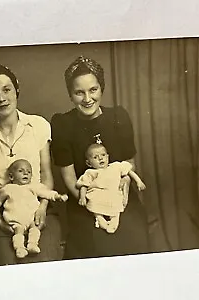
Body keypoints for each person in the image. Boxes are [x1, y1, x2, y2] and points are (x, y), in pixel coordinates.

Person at [51, 56, 150, 259]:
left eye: (93, 90)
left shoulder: (119, 117)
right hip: (85, 199)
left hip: (121, 194)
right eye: (79, 92)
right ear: (70, 95)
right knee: (94, 246)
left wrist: (124, 181)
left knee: (134, 239)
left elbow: (129, 162)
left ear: (101, 88)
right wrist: (92, 202)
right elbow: (69, 177)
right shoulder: (62, 124)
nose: (87, 98)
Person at [0, 63, 62, 265]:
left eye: (6, 90)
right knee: (8, 266)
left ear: (16, 89)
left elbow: (46, 175)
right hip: (3, 214)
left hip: (39, 209)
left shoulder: (38, 125)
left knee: (42, 262)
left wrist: (43, 208)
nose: (2, 98)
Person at [0, 159, 68, 259]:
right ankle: (19, 248)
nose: (25, 173)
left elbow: (47, 193)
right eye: (21, 171)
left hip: (31, 217)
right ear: (11, 176)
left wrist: (58, 196)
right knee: (18, 231)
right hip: (16, 219)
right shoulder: (8, 189)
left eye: (28, 172)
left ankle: (32, 245)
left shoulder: (33, 187)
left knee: (35, 228)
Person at [76, 143, 146, 233]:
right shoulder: (90, 172)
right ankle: (100, 219)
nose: (100, 158)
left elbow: (129, 171)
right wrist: (82, 198)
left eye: (103, 155)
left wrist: (138, 181)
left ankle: (114, 221)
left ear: (107, 156)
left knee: (117, 204)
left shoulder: (116, 166)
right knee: (94, 204)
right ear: (88, 163)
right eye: (95, 157)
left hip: (112, 193)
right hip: (98, 194)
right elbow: (84, 185)